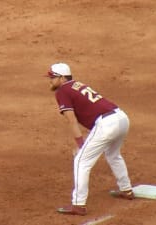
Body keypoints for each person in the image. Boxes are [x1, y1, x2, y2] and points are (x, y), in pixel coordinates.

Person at [46, 63, 134, 216]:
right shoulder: (77, 85)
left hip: (107, 123)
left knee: (81, 161)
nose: (50, 81)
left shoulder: (62, 91)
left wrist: (80, 144)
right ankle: (126, 189)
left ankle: (78, 205)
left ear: (62, 78)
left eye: (53, 77)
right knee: (113, 154)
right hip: (121, 118)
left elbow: (71, 120)